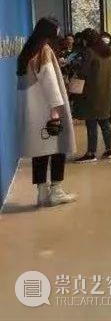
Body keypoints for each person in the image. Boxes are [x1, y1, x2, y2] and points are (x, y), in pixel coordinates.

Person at [16, 18, 77, 206]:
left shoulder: (27, 52)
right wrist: (56, 111)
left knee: (40, 151)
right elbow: (50, 81)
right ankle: (56, 190)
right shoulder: (45, 50)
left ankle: (42, 192)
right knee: (59, 147)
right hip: (48, 109)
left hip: (34, 111)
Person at [72, 29, 111, 163]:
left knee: (91, 123)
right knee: (105, 122)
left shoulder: (89, 52)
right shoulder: (108, 51)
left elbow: (83, 72)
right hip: (106, 92)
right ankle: (109, 150)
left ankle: (91, 153)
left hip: (91, 92)